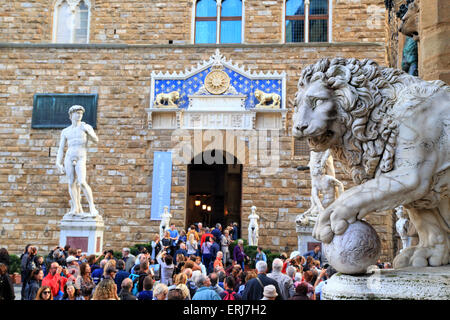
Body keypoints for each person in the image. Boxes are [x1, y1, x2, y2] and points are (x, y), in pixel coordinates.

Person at [56, 105, 99, 217]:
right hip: (69, 157)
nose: (79, 115)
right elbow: (61, 148)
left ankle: (92, 207)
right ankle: (76, 207)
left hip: (80, 156)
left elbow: (96, 140)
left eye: (81, 113)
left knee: (82, 182)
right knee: (71, 182)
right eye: (77, 113)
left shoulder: (85, 127)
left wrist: (89, 132)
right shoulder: (66, 131)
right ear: (71, 115)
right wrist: (58, 163)